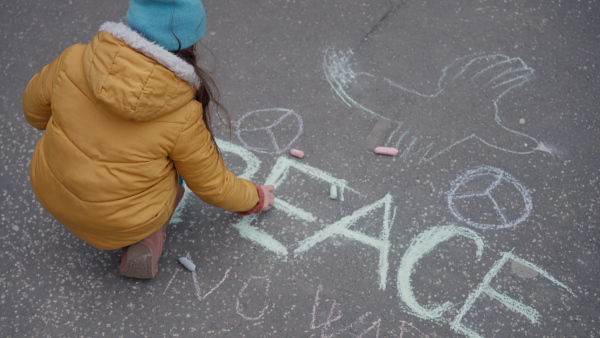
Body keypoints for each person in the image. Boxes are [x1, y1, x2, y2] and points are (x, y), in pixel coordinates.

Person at [21, 0, 275, 279]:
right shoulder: (182, 112)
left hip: (48, 188)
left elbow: (33, 114)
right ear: (191, 44)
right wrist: (254, 198)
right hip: (122, 222)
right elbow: (212, 186)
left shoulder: (72, 59)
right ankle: (148, 240)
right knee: (177, 172)